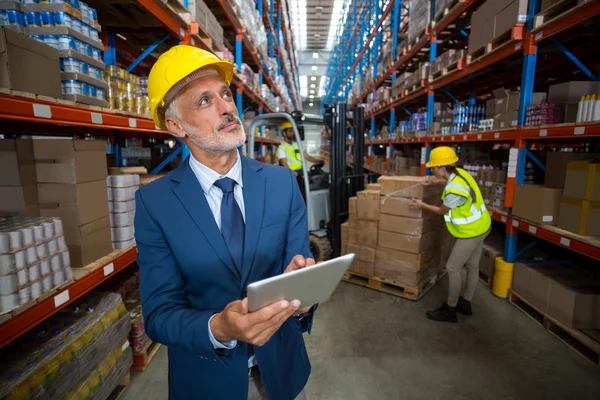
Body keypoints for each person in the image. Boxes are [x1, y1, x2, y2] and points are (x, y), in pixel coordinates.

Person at [135, 45, 316, 400]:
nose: (226, 107)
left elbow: (298, 271)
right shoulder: (155, 204)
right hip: (208, 383)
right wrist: (219, 326)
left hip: (282, 374)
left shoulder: (281, 183)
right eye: (204, 101)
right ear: (176, 126)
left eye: (225, 94)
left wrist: (304, 298)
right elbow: (159, 314)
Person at [410, 146, 491, 323]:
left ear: (442, 167)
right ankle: (466, 303)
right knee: (472, 265)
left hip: (471, 232)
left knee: (453, 268)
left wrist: (420, 205)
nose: (431, 169)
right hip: (483, 225)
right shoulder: (461, 173)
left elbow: (440, 210)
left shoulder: (454, 191)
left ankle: (450, 309)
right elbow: (451, 183)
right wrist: (435, 182)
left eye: (433, 167)